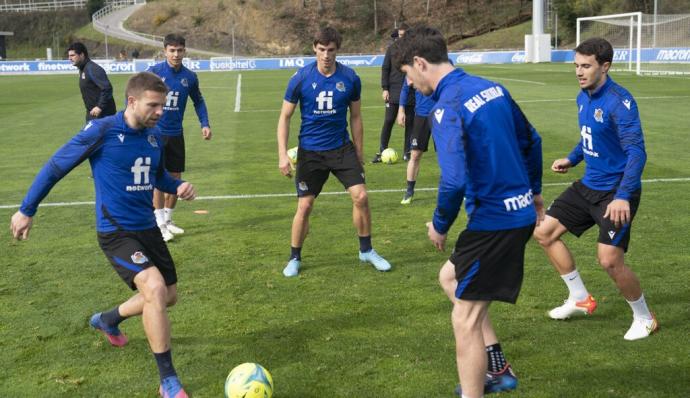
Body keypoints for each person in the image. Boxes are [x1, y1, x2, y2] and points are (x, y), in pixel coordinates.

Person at [10, 72, 195, 398]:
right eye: (153, 105)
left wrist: (175, 185)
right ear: (132, 101)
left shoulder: (154, 137)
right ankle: (168, 381)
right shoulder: (103, 131)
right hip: (115, 231)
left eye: (162, 106)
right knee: (153, 288)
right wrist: (27, 209)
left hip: (147, 227)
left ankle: (107, 320)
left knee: (169, 296)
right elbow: (56, 166)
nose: (159, 112)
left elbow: (157, 176)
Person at [391, 26, 543, 398]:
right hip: (516, 214)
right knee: (450, 280)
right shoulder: (493, 89)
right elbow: (532, 140)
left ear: (420, 63)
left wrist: (440, 225)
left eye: (408, 76)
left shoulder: (448, 108)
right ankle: (499, 368)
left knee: (465, 318)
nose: (409, 85)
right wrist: (535, 194)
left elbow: (454, 180)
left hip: (495, 223)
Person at [532, 37, 657, 341]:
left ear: (605, 66)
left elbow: (637, 153)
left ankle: (645, 317)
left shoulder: (619, 102)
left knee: (609, 260)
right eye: (576, 65)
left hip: (615, 191)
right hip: (589, 184)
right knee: (543, 232)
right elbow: (589, 135)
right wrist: (573, 159)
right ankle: (580, 298)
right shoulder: (583, 96)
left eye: (586, 66)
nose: (579, 71)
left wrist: (623, 196)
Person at [277, 26, 392, 277]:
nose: (326, 55)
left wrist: (359, 153)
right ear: (314, 49)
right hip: (311, 152)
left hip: (341, 149)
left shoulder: (350, 78)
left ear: (337, 50)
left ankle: (366, 250)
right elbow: (285, 117)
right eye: (321, 50)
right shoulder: (300, 78)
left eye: (331, 50)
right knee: (305, 206)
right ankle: (294, 257)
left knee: (361, 197)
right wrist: (282, 155)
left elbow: (357, 117)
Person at [148, 33, 212, 242]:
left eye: (179, 50)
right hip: (155, 135)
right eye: (172, 50)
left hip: (176, 135)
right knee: (158, 181)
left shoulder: (190, 77)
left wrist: (205, 124)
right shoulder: (154, 73)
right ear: (165, 51)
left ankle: (167, 220)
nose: (176, 54)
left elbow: (198, 101)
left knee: (175, 180)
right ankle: (158, 224)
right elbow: (137, 96)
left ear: (185, 51)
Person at [372, 23, 414, 163]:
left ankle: (407, 152)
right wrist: (385, 88)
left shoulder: (414, 50)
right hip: (393, 91)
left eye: (405, 35)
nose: (403, 37)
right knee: (388, 121)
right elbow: (385, 68)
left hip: (410, 93)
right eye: (400, 35)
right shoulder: (391, 49)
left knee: (410, 123)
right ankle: (382, 150)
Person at [397, 76, 435, 204]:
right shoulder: (415, 65)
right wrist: (401, 110)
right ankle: (409, 191)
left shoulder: (444, 63)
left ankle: (463, 189)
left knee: (450, 154)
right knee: (415, 154)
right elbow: (405, 89)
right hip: (421, 115)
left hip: (442, 114)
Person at [67, 42, 117, 122]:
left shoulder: (92, 69)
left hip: (103, 116)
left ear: (82, 55)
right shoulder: (83, 69)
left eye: (72, 55)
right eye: (69, 56)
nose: (69, 58)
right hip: (93, 115)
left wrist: (99, 107)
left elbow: (107, 88)